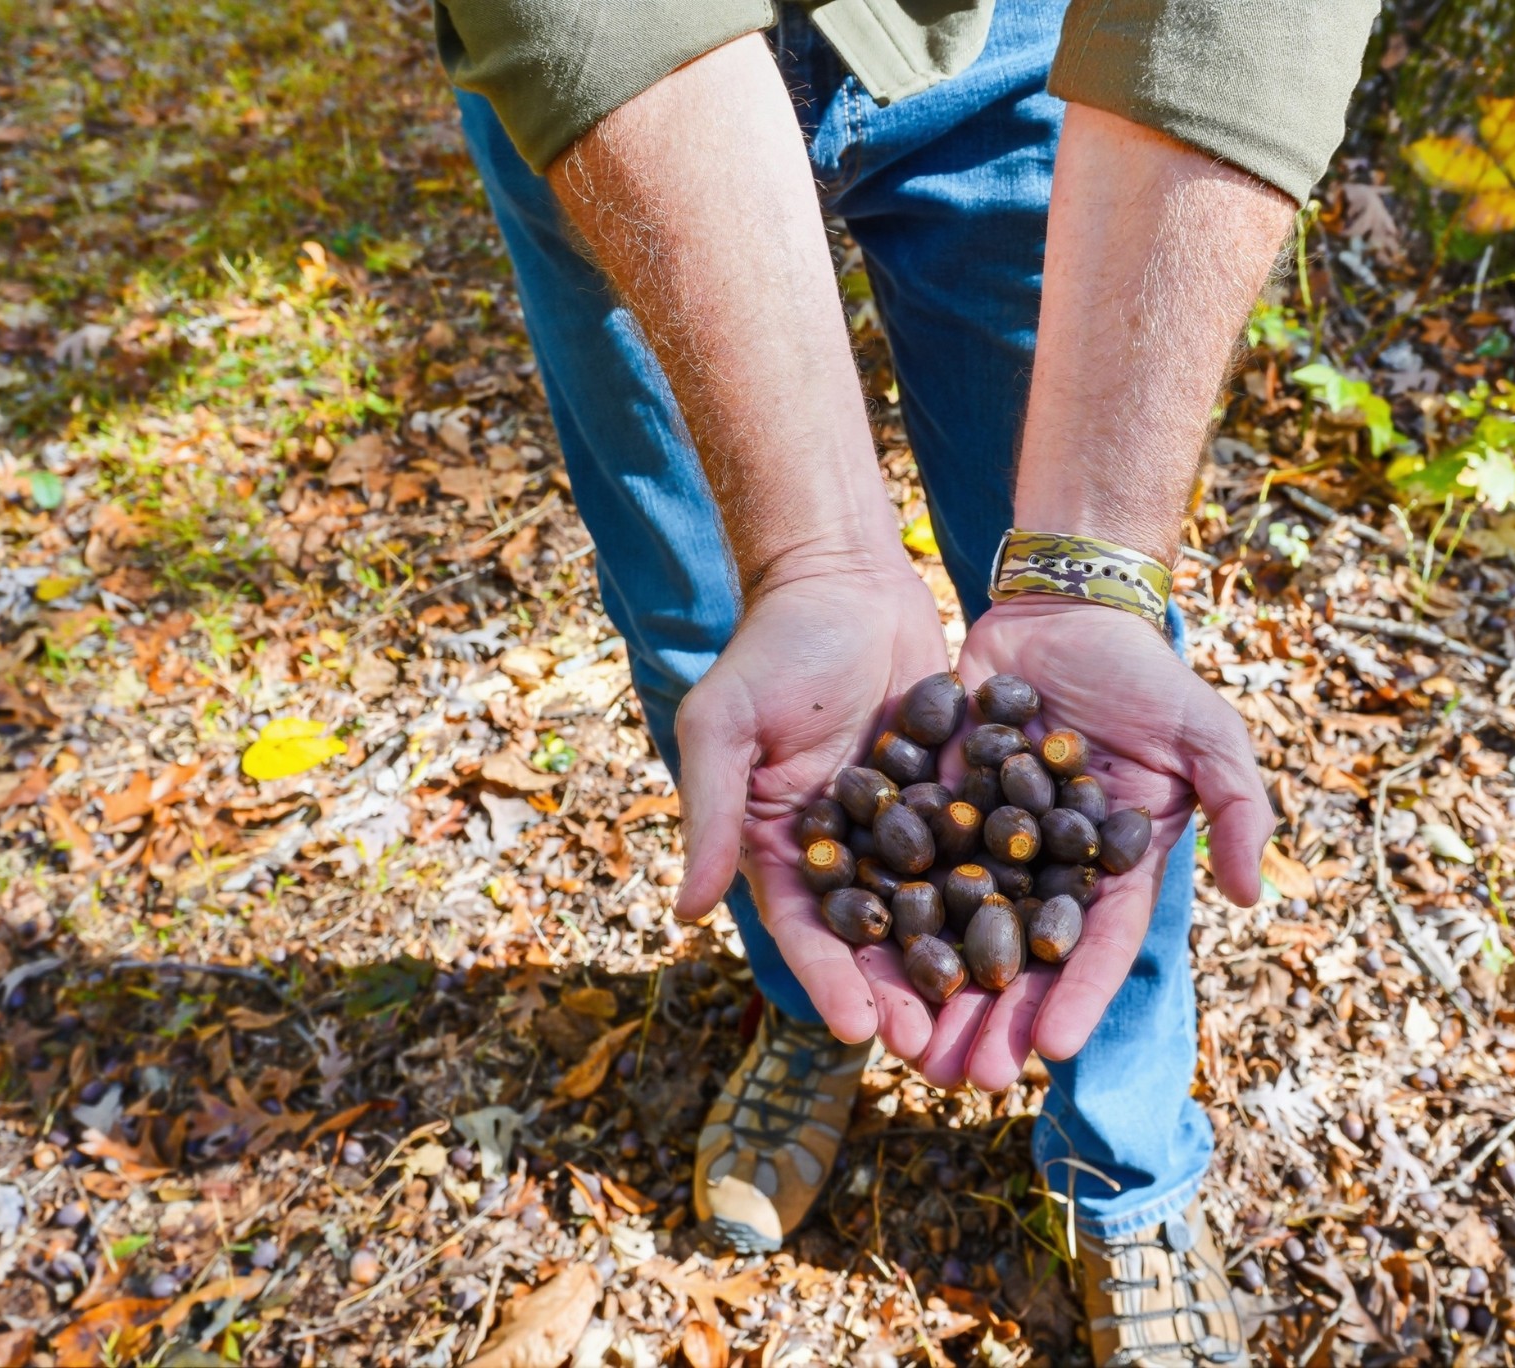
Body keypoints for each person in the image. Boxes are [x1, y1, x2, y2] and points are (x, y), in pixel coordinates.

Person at [436, 3, 1375, 1362]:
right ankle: (812, 1003)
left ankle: (1128, 1162)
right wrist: (810, 554)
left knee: (1093, 667)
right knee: (723, 649)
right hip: (609, 70)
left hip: (1029, 37)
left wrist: (1095, 554)